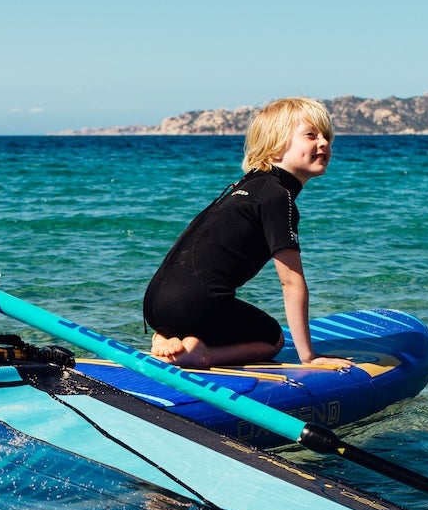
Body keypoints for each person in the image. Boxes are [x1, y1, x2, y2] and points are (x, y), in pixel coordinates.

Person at [143, 97, 352, 371]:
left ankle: (168, 335)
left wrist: (167, 318)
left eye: (327, 137)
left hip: (155, 304)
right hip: (194, 308)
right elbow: (291, 282)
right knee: (273, 338)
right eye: (311, 135)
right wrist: (308, 357)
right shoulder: (277, 197)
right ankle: (203, 354)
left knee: (206, 303)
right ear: (275, 147)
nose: (324, 143)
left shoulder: (245, 186)